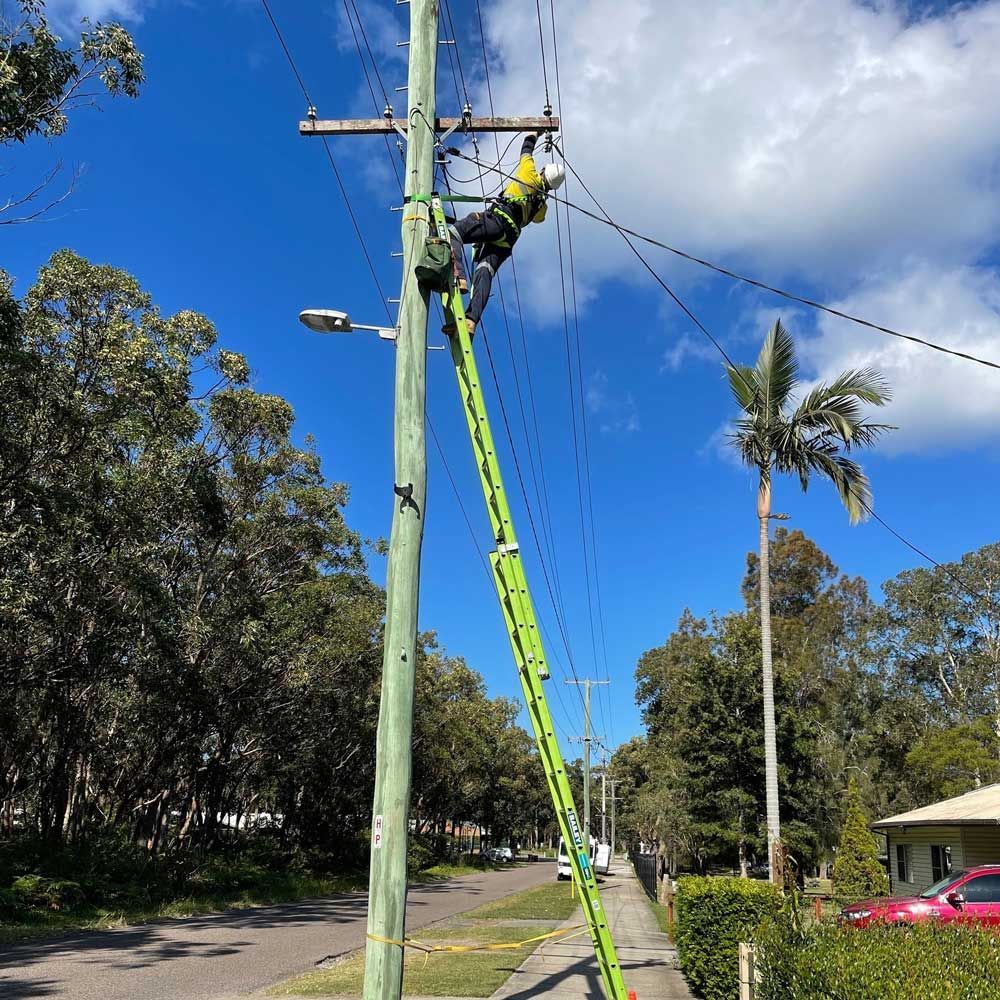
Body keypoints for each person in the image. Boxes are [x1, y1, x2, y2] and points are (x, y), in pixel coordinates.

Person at [445, 131, 565, 338]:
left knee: (454, 233)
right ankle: (471, 320)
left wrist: (534, 133)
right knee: (484, 272)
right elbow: (538, 219)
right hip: (507, 241)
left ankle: (459, 277)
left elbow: (526, 149)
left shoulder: (529, 175)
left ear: (543, 171)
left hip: (498, 220)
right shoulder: (542, 208)